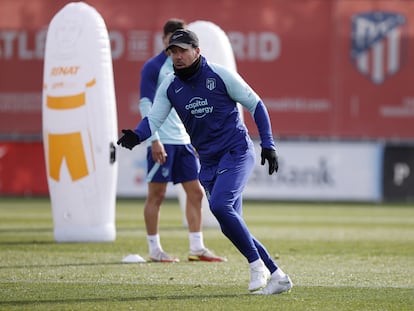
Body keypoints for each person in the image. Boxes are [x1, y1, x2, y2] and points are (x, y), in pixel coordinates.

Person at [118, 29, 293, 294]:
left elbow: (256, 104)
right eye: (172, 52)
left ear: (197, 51)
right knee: (231, 224)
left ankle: (257, 266)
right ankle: (278, 275)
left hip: (236, 152)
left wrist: (268, 144)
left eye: (182, 50)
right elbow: (154, 119)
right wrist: (137, 135)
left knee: (220, 206)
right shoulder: (170, 85)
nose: (177, 56)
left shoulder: (220, 75)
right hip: (208, 163)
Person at [138, 19, 225, 263]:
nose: (176, 46)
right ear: (164, 40)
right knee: (157, 195)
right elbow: (145, 104)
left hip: (182, 140)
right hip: (161, 140)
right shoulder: (153, 67)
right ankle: (154, 250)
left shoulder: (185, 68)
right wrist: (153, 139)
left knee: (196, 193)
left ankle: (197, 247)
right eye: (172, 40)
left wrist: (195, 137)